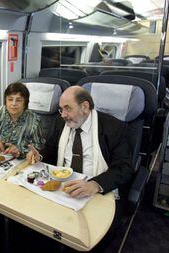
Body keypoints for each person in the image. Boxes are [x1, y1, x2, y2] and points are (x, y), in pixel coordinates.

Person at [25, 86, 133, 251]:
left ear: (85, 107)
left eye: (67, 108)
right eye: (61, 110)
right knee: (35, 227)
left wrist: (94, 184)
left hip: (99, 192)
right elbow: (51, 150)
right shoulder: (61, 123)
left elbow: (125, 168)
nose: (63, 115)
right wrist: (39, 156)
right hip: (63, 187)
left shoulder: (113, 127)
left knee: (86, 242)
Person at [0, 82, 45, 158]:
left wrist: (20, 151)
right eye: (10, 99)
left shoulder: (34, 121)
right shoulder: (0, 112)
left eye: (18, 100)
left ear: (25, 103)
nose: (13, 104)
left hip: (20, 162)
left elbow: (38, 147)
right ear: (6, 101)